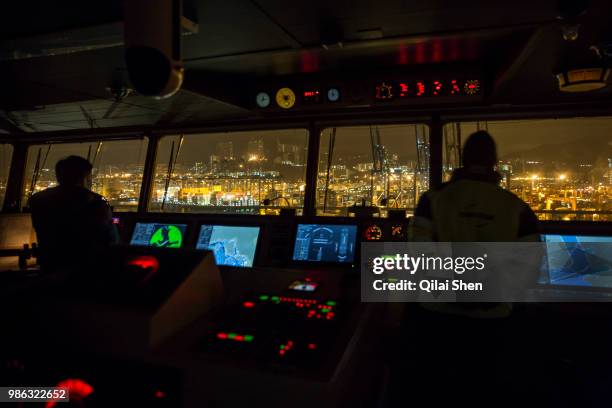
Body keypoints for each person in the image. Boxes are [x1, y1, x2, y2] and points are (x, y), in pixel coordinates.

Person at [29, 156, 119, 273]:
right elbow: (111, 240)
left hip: (51, 268)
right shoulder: (95, 201)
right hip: (88, 270)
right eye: (90, 176)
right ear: (84, 177)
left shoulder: (38, 200)